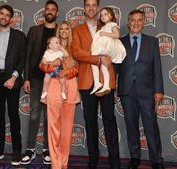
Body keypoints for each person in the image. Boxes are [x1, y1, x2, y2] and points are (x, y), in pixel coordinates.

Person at [71, 0, 120, 169]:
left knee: (109, 120)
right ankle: (93, 157)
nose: (91, 8)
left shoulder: (107, 25)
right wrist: (98, 58)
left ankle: (115, 160)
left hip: (106, 81)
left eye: (94, 5)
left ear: (98, 8)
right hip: (87, 82)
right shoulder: (76, 30)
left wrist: (107, 56)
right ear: (84, 8)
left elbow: (115, 47)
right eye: (87, 5)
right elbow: (77, 53)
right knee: (90, 121)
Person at [117, 9, 164, 169]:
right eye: (133, 20)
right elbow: (114, 67)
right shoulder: (120, 42)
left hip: (147, 91)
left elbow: (157, 67)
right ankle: (135, 157)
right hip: (127, 91)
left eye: (139, 20)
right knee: (131, 125)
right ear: (128, 23)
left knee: (151, 125)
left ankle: (156, 159)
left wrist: (159, 90)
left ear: (143, 22)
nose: (136, 23)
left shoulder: (152, 42)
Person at [0, 4, 27, 166]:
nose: (4, 17)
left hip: (12, 79)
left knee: (14, 115)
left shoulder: (19, 36)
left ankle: (17, 151)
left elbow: (23, 58)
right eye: (1, 14)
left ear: (11, 18)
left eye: (7, 15)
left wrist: (14, 77)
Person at [22, 0, 59, 165]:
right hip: (36, 79)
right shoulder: (34, 30)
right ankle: (30, 149)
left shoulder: (61, 31)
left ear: (56, 13)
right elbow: (27, 55)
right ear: (44, 12)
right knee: (35, 114)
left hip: (55, 80)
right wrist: (27, 78)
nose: (50, 11)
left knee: (50, 117)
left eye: (53, 9)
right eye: (48, 9)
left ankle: (47, 149)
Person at [40, 21, 79, 169]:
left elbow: (77, 69)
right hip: (53, 88)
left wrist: (66, 71)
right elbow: (42, 65)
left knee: (67, 130)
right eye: (61, 29)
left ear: (70, 31)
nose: (63, 31)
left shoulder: (74, 47)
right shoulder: (51, 46)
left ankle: (64, 163)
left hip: (70, 86)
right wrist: (53, 66)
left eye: (66, 29)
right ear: (57, 31)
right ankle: (55, 164)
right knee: (53, 128)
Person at [90, 7, 126, 95]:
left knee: (94, 61)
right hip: (105, 48)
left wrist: (104, 34)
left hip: (109, 47)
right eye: (101, 15)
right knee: (103, 65)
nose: (103, 16)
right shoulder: (103, 27)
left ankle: (98, 83)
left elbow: (117, 35)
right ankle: (105, 85)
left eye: (105, 14)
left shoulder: (112, 24)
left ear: (111, 15)